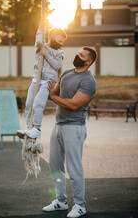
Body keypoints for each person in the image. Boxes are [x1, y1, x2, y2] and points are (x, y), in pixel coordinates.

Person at [42, 46, 97, 218]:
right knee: (55, 165)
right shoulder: (66, 73)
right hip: (58, 125)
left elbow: (74, 104)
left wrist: (55, 97)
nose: (77, 55)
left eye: (81, 55)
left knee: (74, 168)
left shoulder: (88, 81)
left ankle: (80, 205)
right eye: (78, 53)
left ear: (88, 62)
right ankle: (61, 201)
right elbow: (54, 93)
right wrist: (48, 90)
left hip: (74, 127)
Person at [17, 20, 67, 139]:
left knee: (38, 104)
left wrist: (47, 55)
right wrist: (40, 28)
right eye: (59, 40)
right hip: (36, 79)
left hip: (48, 82)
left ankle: (37, 129)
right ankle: (29, 128)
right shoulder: (41, 47)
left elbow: (57, 66)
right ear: (52, 37)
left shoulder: (60, 53)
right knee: (29, 104)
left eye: (62, 42)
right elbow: (39, 40)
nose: (60, 44)